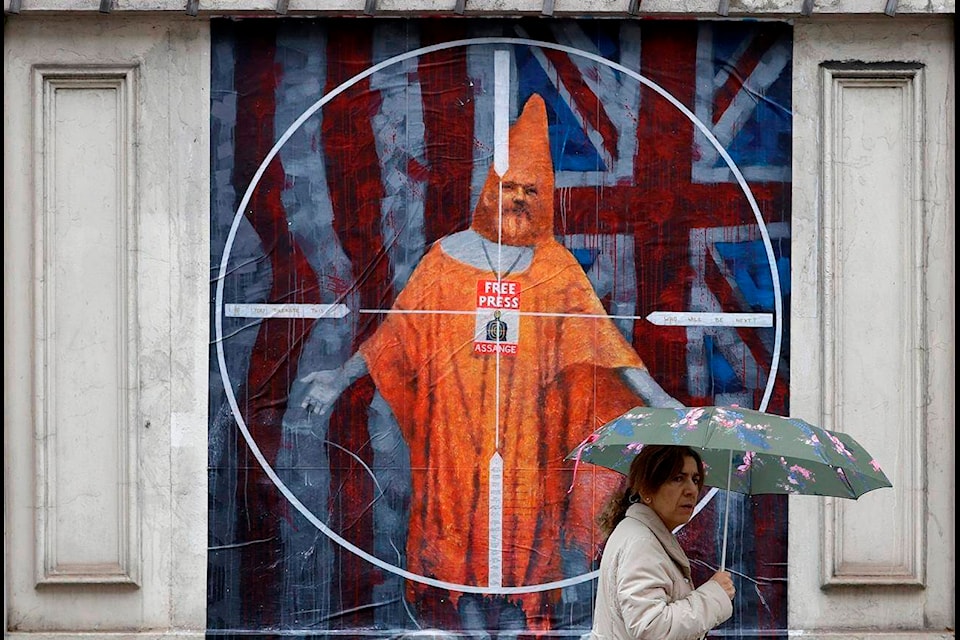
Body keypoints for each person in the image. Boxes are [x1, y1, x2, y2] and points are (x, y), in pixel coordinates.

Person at [300, 93, 680, 633]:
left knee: (527, 535)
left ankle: (520, 623)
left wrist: (661, 401)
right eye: (510, 188)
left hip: (530, 436)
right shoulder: (444, 259)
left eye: (532, 191)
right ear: (488, 191)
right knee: (453, 535)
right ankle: (466, 622)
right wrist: (339, 379)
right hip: (453, 435)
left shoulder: (556, 268)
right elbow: (397, 336)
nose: (519, 199)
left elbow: (605, 348)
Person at [591, 445, 735, 640]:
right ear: (646, 489)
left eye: (695, 479)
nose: (692, 490)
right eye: (678, 478)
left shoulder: (643, 534)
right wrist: (714, 596)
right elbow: (651, 627)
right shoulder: (641, 542)